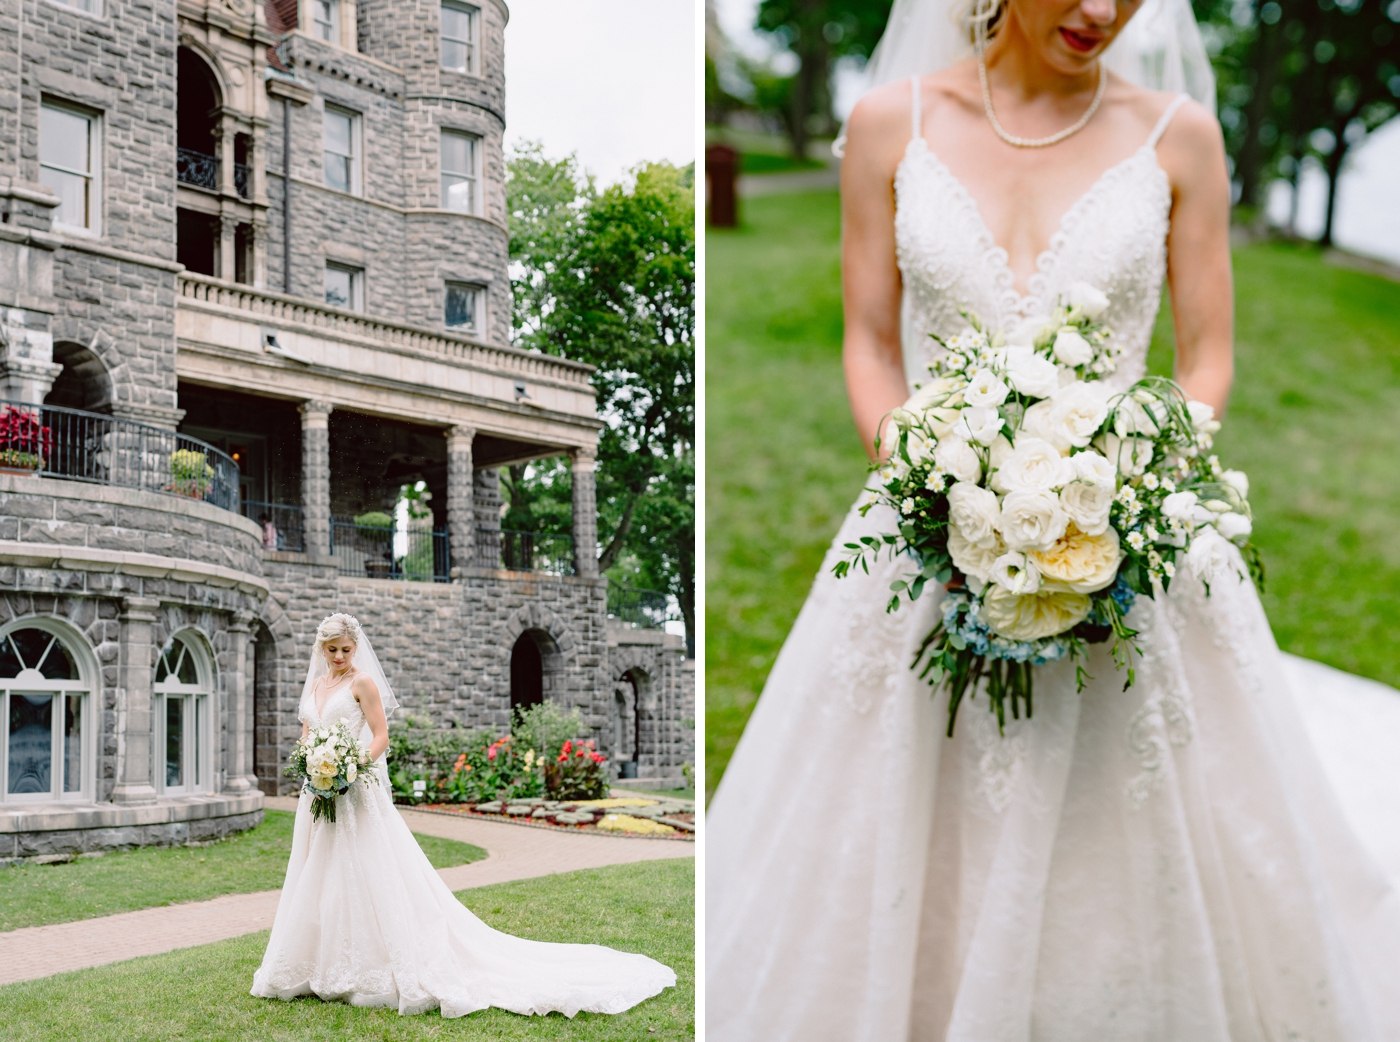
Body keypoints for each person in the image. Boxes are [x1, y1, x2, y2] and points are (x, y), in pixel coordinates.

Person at [706, 0, 1400, 1037]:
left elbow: (1203, 358)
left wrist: (1126, 477)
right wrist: (931, 483)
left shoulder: (1178, 137)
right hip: (926, 531)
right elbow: (868, 341)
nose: (1097, 13)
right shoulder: (891, 122)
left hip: (1123, 530)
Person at [251, 612, 675, 1018]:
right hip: (317, 795)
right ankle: (312, 964)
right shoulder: (316, 686)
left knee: (366, 870)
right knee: (318, 873)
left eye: (345, 649)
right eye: (332, 650)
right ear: (321, 649)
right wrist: (312, 764)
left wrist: (349, 766)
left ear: (355, 646)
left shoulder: (362, 683)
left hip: (354, 788)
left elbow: (381, 736)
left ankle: (371, 968)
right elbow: (307, 735)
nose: (339, 657)